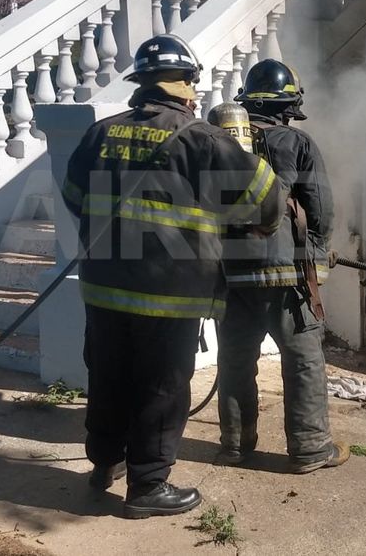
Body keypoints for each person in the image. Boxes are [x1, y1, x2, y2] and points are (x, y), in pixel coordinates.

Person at [61, 35, 285, 519]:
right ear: (186, 85)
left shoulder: (100, 133)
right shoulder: (203, 138)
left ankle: (104, 465)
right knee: (161, 387)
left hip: (103, 286)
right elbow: (267, 204)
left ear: (140, 84)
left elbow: (75, 196)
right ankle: (148, 487)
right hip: (169, 292)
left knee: (109, 375)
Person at [214, 58, 350, 474]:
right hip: (288, 274)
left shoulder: (216, 143)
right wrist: (319, 256)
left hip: (230, 274)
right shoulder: (297, 143)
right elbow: (321, 210)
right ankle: (309, 448)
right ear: (288, 104)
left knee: (236, 360)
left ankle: (236, 444)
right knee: (302, 357)